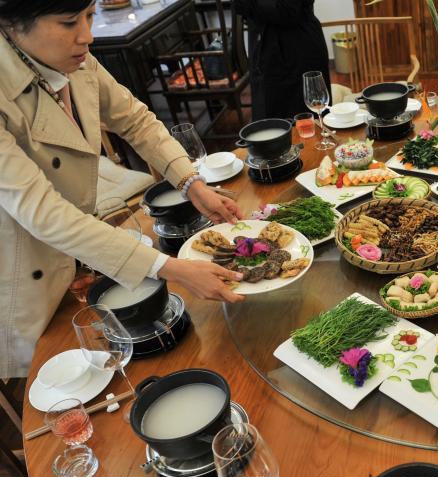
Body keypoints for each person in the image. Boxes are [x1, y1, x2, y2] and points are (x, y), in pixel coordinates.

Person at [0, 0, 247, 379]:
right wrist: (170, 268)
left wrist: (191, 182)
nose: (87, 36)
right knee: (62, 379)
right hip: (28, 268)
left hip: (85, 250)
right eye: (69, 22)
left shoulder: (75, 61)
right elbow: (43, 212)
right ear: (12, 25)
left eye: (89, 16)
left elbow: (135, 120)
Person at [234, 0, 331, 120]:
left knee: (305, 121)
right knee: (269, 122)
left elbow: (287, 10)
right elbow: (239, 6)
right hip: (263, 51)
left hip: (298, 51)